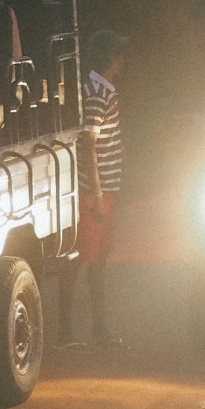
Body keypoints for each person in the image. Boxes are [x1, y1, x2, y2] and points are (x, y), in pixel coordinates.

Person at [59, 30, 127, 347]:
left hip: (101, 188)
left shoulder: (97, 87)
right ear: (112, 57)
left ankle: (97, 328)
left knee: (96, 256)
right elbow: (89, 143)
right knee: (81, 258)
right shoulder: (98, 91)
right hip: (93, 191)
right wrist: (98, 194)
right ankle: (66, 331)